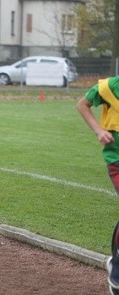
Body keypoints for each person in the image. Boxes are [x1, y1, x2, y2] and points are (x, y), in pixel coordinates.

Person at [76, 76, 119, 293]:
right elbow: (82, 104)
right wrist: (98, 130)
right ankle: (117, 265)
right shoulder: (109, 86)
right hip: (117, 159)